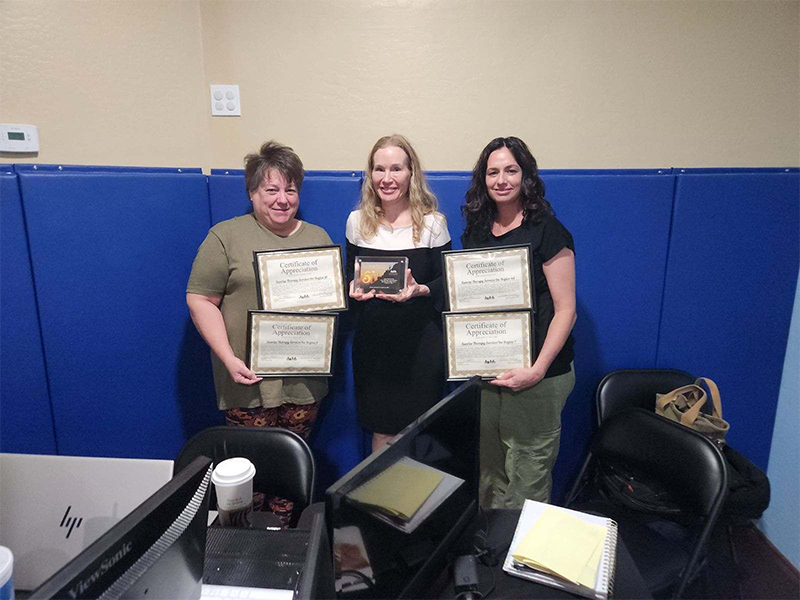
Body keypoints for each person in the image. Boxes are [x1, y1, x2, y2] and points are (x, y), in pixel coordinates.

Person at [186, 140, 332, 525]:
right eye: (271, 189)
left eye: (290, 189)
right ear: (252, 192)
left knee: (291, 469)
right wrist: (228, 358)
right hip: (246, 379)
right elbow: (201, 299)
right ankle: (241, 547)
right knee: (247, 473)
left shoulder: (318, 237)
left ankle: (283, 541)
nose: (282, 199)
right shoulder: (226, 236)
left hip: (303, 381)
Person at [461, 136, 576, 508]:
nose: (502, 180)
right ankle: (488, 556)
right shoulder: (477, 233)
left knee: (528, 471)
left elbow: (565, 310)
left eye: (511, 170)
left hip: (539, 374)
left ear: (525, 175)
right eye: (492, 172)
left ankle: (518, 562)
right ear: (483, 179)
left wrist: (538, 369)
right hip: (491, 370)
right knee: (490, 467)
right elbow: (468, 299)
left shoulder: (547, 229)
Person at [346, 134, 452, 452]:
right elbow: (349, 277)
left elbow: (447, 285)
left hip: (422, 346)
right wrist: (350, 289)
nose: (387, 178)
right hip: (374, 348)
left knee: (420, 433)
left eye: (396, 169)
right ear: (370, 175)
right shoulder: (356, 222)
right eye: (379, 169)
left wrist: (420, 289)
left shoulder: (433, 224)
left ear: (411, 174)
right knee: (380, 432)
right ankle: (382, 503)